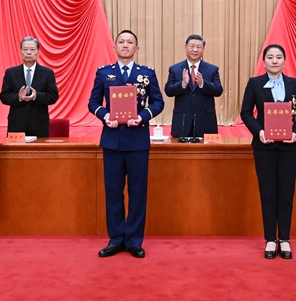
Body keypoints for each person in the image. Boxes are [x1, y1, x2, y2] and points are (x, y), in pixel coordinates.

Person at [88, 30, 164, 258]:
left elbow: (158, 102)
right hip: (112, 140)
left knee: (137, 192)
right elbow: (93, 103)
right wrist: (105, 116)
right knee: (113, 191)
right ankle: (116, 239)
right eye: (121, 42)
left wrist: (142, 116)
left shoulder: (147, 73)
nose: (125, 45)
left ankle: (134, 240)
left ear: (136, 48)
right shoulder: (104, 73)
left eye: (130, 42)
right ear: (114, 47)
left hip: (137, 140)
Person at [240, 44, 296, 259]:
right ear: (264, 61)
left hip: (289, 147)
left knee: (286, 193)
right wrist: (259, 131)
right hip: (264, 147)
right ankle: (270, 239)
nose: (274, 61)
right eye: (270, 57)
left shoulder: (295, 84)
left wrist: (295, 133)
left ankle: (285, 239)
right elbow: (246, 113)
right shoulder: (255, 83)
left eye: (279, 57)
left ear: (284, 61)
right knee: (268, 193)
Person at [164, 34, 223, 138]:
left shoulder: (212, 69)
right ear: (185, 47)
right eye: (192, 46)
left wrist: (203, 84)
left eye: (199, 47)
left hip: (206, 122)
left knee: (208, 149)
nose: (195, 50)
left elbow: (218, 90)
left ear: (203, 49)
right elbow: (168, 90)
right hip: (182, 122)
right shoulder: (175, 69)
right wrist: (182, 84)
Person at [0, 36, 59, 137]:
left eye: (32, 49)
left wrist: (36, 96)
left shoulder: (47, 73)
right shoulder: (11, 73)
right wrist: (18, 97)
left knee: (39, 148)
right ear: (20, 52)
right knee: (16, 148)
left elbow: (53, 96)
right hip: (17, 124)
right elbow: (4, 96)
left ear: (38, 52)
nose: (28, 52)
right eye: (25, 49)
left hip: (39, 124)